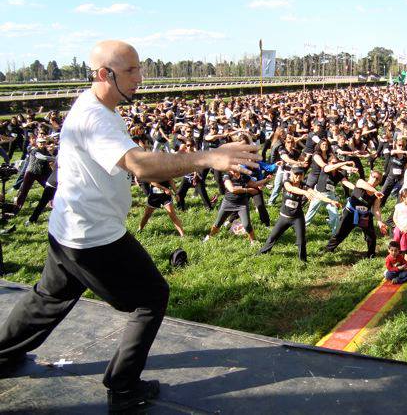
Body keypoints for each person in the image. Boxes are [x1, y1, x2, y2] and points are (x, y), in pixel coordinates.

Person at [0, 40, 260, 412]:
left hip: (68, 230)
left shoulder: (95, 106)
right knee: (150, 297)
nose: (140, 77)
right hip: (93, 238)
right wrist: (208, 157)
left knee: (50, 297)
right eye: (131, 71)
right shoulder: (96, 118)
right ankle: (123, 388)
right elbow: (139, 164)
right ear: (105, 74)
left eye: (140, 68)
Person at [259, 167, 340, 262]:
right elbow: (291, 188)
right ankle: (262, 252)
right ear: (292, 174)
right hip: (284, 217)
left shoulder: (304, 185)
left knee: (301, 240)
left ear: (303, 176)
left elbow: (317, 194)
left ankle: (303, 260)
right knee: (272, 237)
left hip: (297, 217)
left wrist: (331, 201)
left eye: (300, 175)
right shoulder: (286, 182)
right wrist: (304, 192)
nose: (298, 177)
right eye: (296, 174)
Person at [326, 170, 388, 258]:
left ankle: (371, 255)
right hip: (350, 212)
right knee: (340, 233)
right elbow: (364, 185)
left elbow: (376, 209)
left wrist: (379, 221)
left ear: (379, 182)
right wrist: (375, 191)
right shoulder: (361, 182)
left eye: (377, 179)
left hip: (364, 215)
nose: (374, 179)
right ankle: (328, 249)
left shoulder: (376, 195)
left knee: (371, 236)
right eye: (373, 176)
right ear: (370, 176)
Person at [392, 188, 407, 253]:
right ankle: (398, 257)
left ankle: (405, 260)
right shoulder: (398, 206)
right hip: (399, 228)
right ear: (403, 197)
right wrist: (400, 227)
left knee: (406, 246)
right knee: (397, 244)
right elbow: (395, 218)